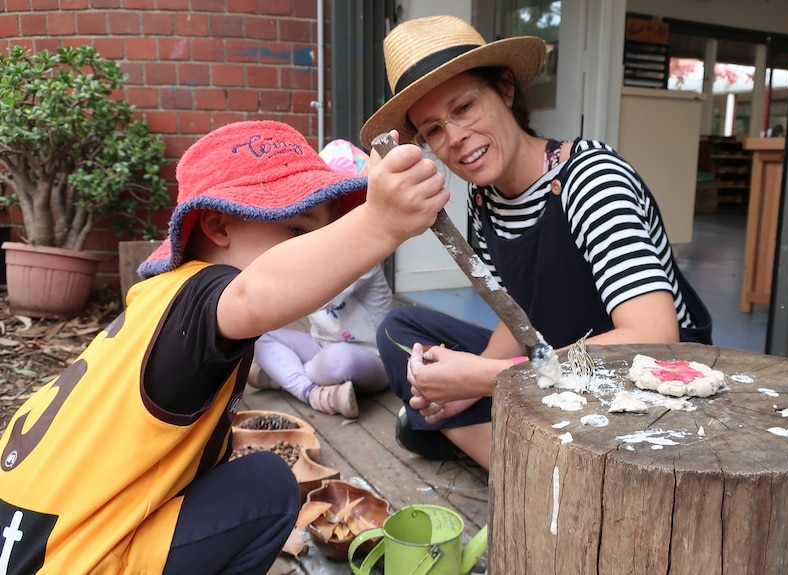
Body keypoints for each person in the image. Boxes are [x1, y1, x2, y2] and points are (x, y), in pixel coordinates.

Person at [0, 120, 447, 573]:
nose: (313, 248)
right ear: (217, 226)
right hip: (70, 560)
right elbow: (254, 292)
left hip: (25, 537)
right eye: (297, 231)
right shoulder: (208, 294)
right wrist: (380, 223)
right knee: (267, 485)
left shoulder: (159, 299)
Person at [359, 15, 713, 471]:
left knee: (427, 412)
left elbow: (654, 337)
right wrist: (469, 377)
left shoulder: (592, 179)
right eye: (433, 130)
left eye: (464, 108)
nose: (455, 139)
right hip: (558, 362)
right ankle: (527, 463)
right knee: (400, 332)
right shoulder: (485, 199)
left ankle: (538, 478)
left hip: (650, 383)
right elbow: (521, 315)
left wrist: (486, 379)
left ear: (505, 90)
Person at [247, 139, 393, 419]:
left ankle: (283, 378)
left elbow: (315, 291)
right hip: (320, 346)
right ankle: (312, 392)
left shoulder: (364, 255)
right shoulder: (316, 250)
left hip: (371, 356)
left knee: (339, 360)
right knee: (259, 337)